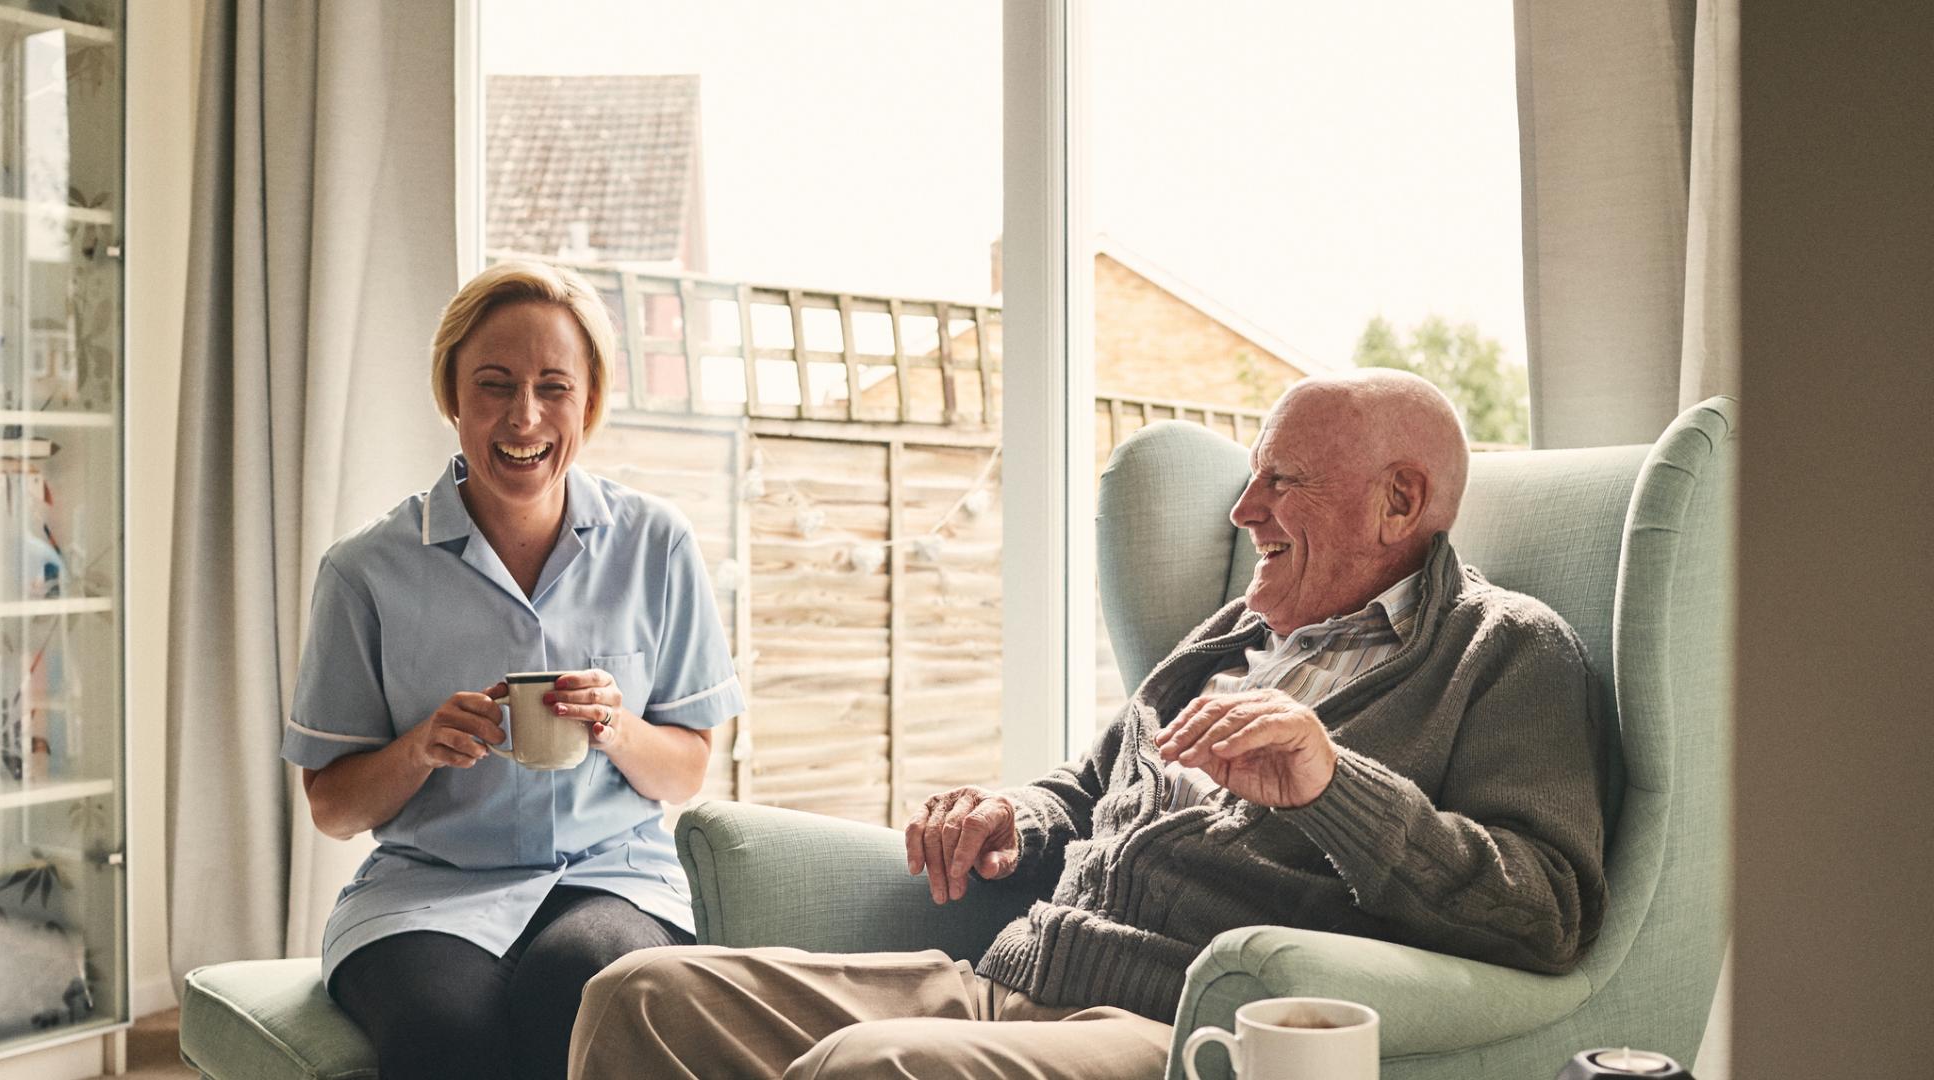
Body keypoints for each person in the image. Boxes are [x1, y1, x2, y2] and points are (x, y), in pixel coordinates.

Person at [570, 369, 1608, 1080]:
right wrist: (1011, 815)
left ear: (1398, 500)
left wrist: (1334, 785)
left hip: (1171, 1023)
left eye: (1280, 480)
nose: (1242, 511)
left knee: (872, 1070)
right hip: (1007, 979)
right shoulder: (1230, 633)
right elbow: (1088, 786)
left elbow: (1546, 912)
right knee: (640, 995)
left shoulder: (1503, 652)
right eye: (1249, 477)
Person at [281, 261, 745, 1080]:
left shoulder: (657, 545)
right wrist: (420, 747)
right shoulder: (365, 572)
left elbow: (689, 769)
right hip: (426, 893)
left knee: (580, 985)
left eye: (553, 387)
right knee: (442, 1028)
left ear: (589, 402)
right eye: (493, 385)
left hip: (615, 879)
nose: (523, 416)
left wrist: (615, 726)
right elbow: (331, 805)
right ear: (452, 397)